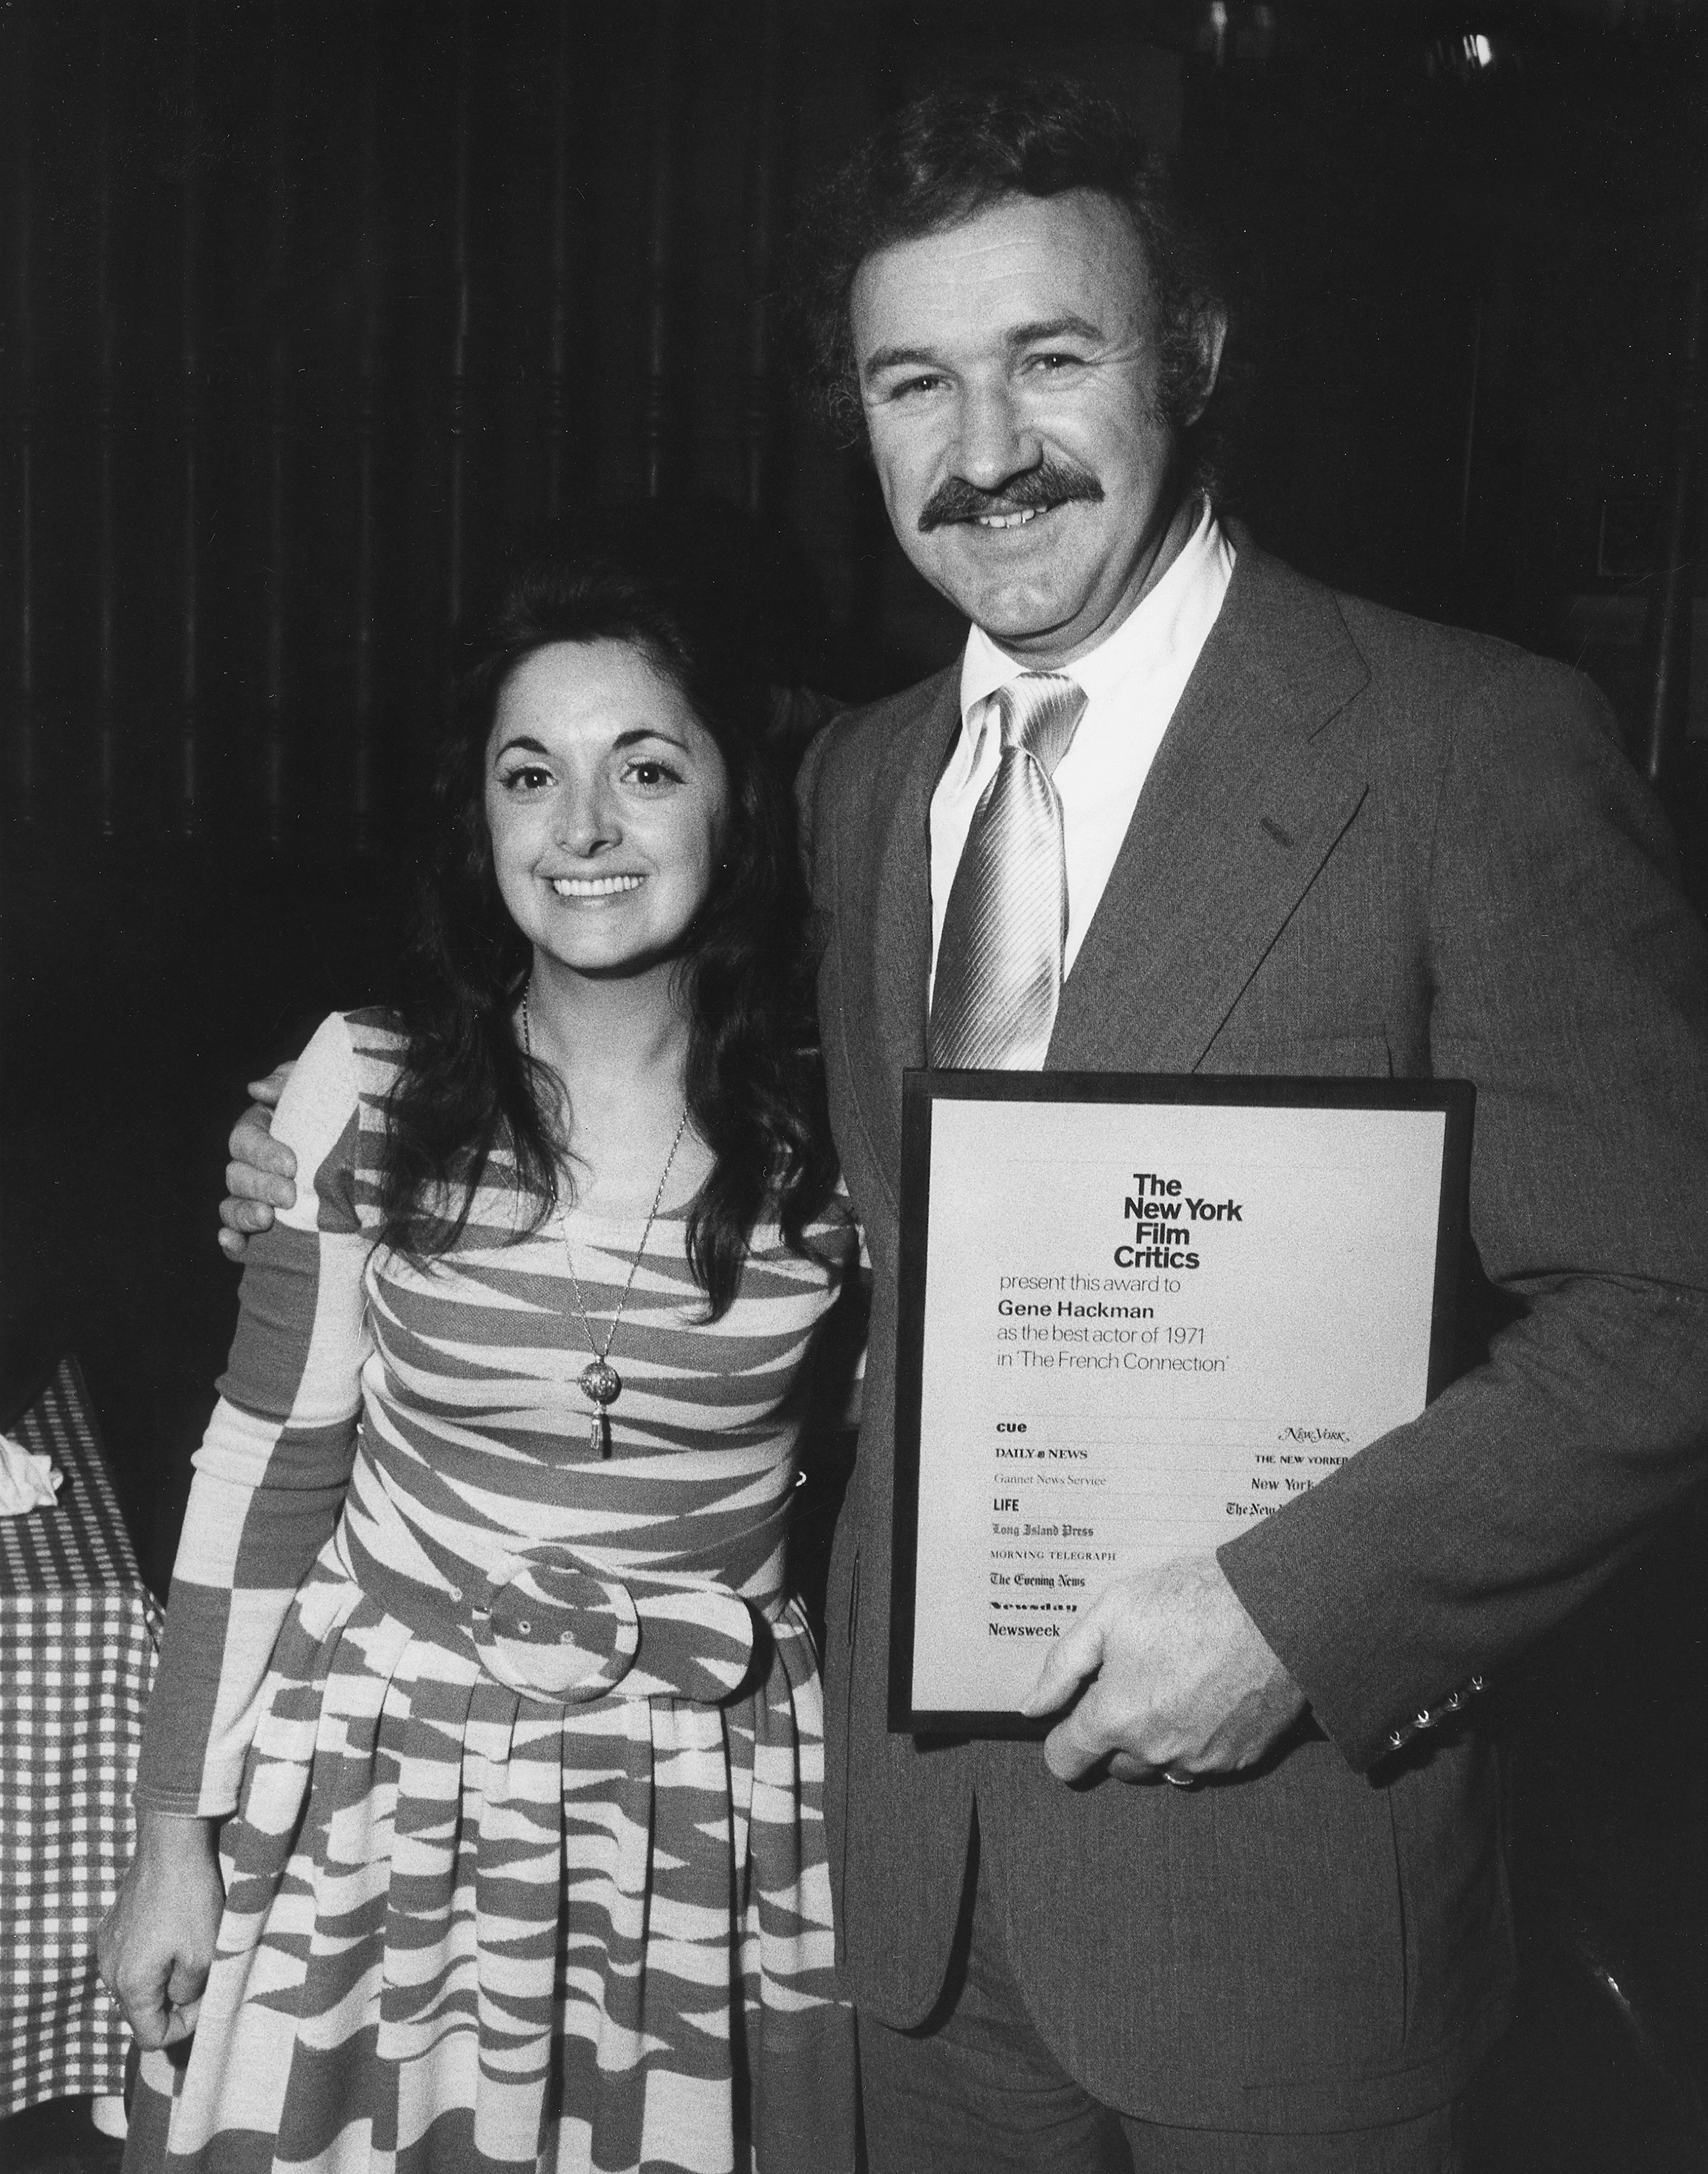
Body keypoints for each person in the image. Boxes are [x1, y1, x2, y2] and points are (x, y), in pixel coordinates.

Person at [222, 80, 1708, 2174]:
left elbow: (1663, 1303)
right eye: (916, 378)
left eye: (1052, 357)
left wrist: (1306, 1611)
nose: (986, 446)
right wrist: (314, 1164)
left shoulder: (1469, 748)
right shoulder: (853, 791)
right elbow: (688, 1101)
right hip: (889, 1895)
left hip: (1280, 1907)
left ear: (1192, 357)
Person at [103, 526, 860, 2174]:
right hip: (392, 1784)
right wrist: (177, 1838)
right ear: (483, 818)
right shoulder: (363, 1088)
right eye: (532, 776)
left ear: (736, 800)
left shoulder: (843, 1137)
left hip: (700, 1802)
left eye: (644, 767)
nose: (584, 826)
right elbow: (261, 1475)